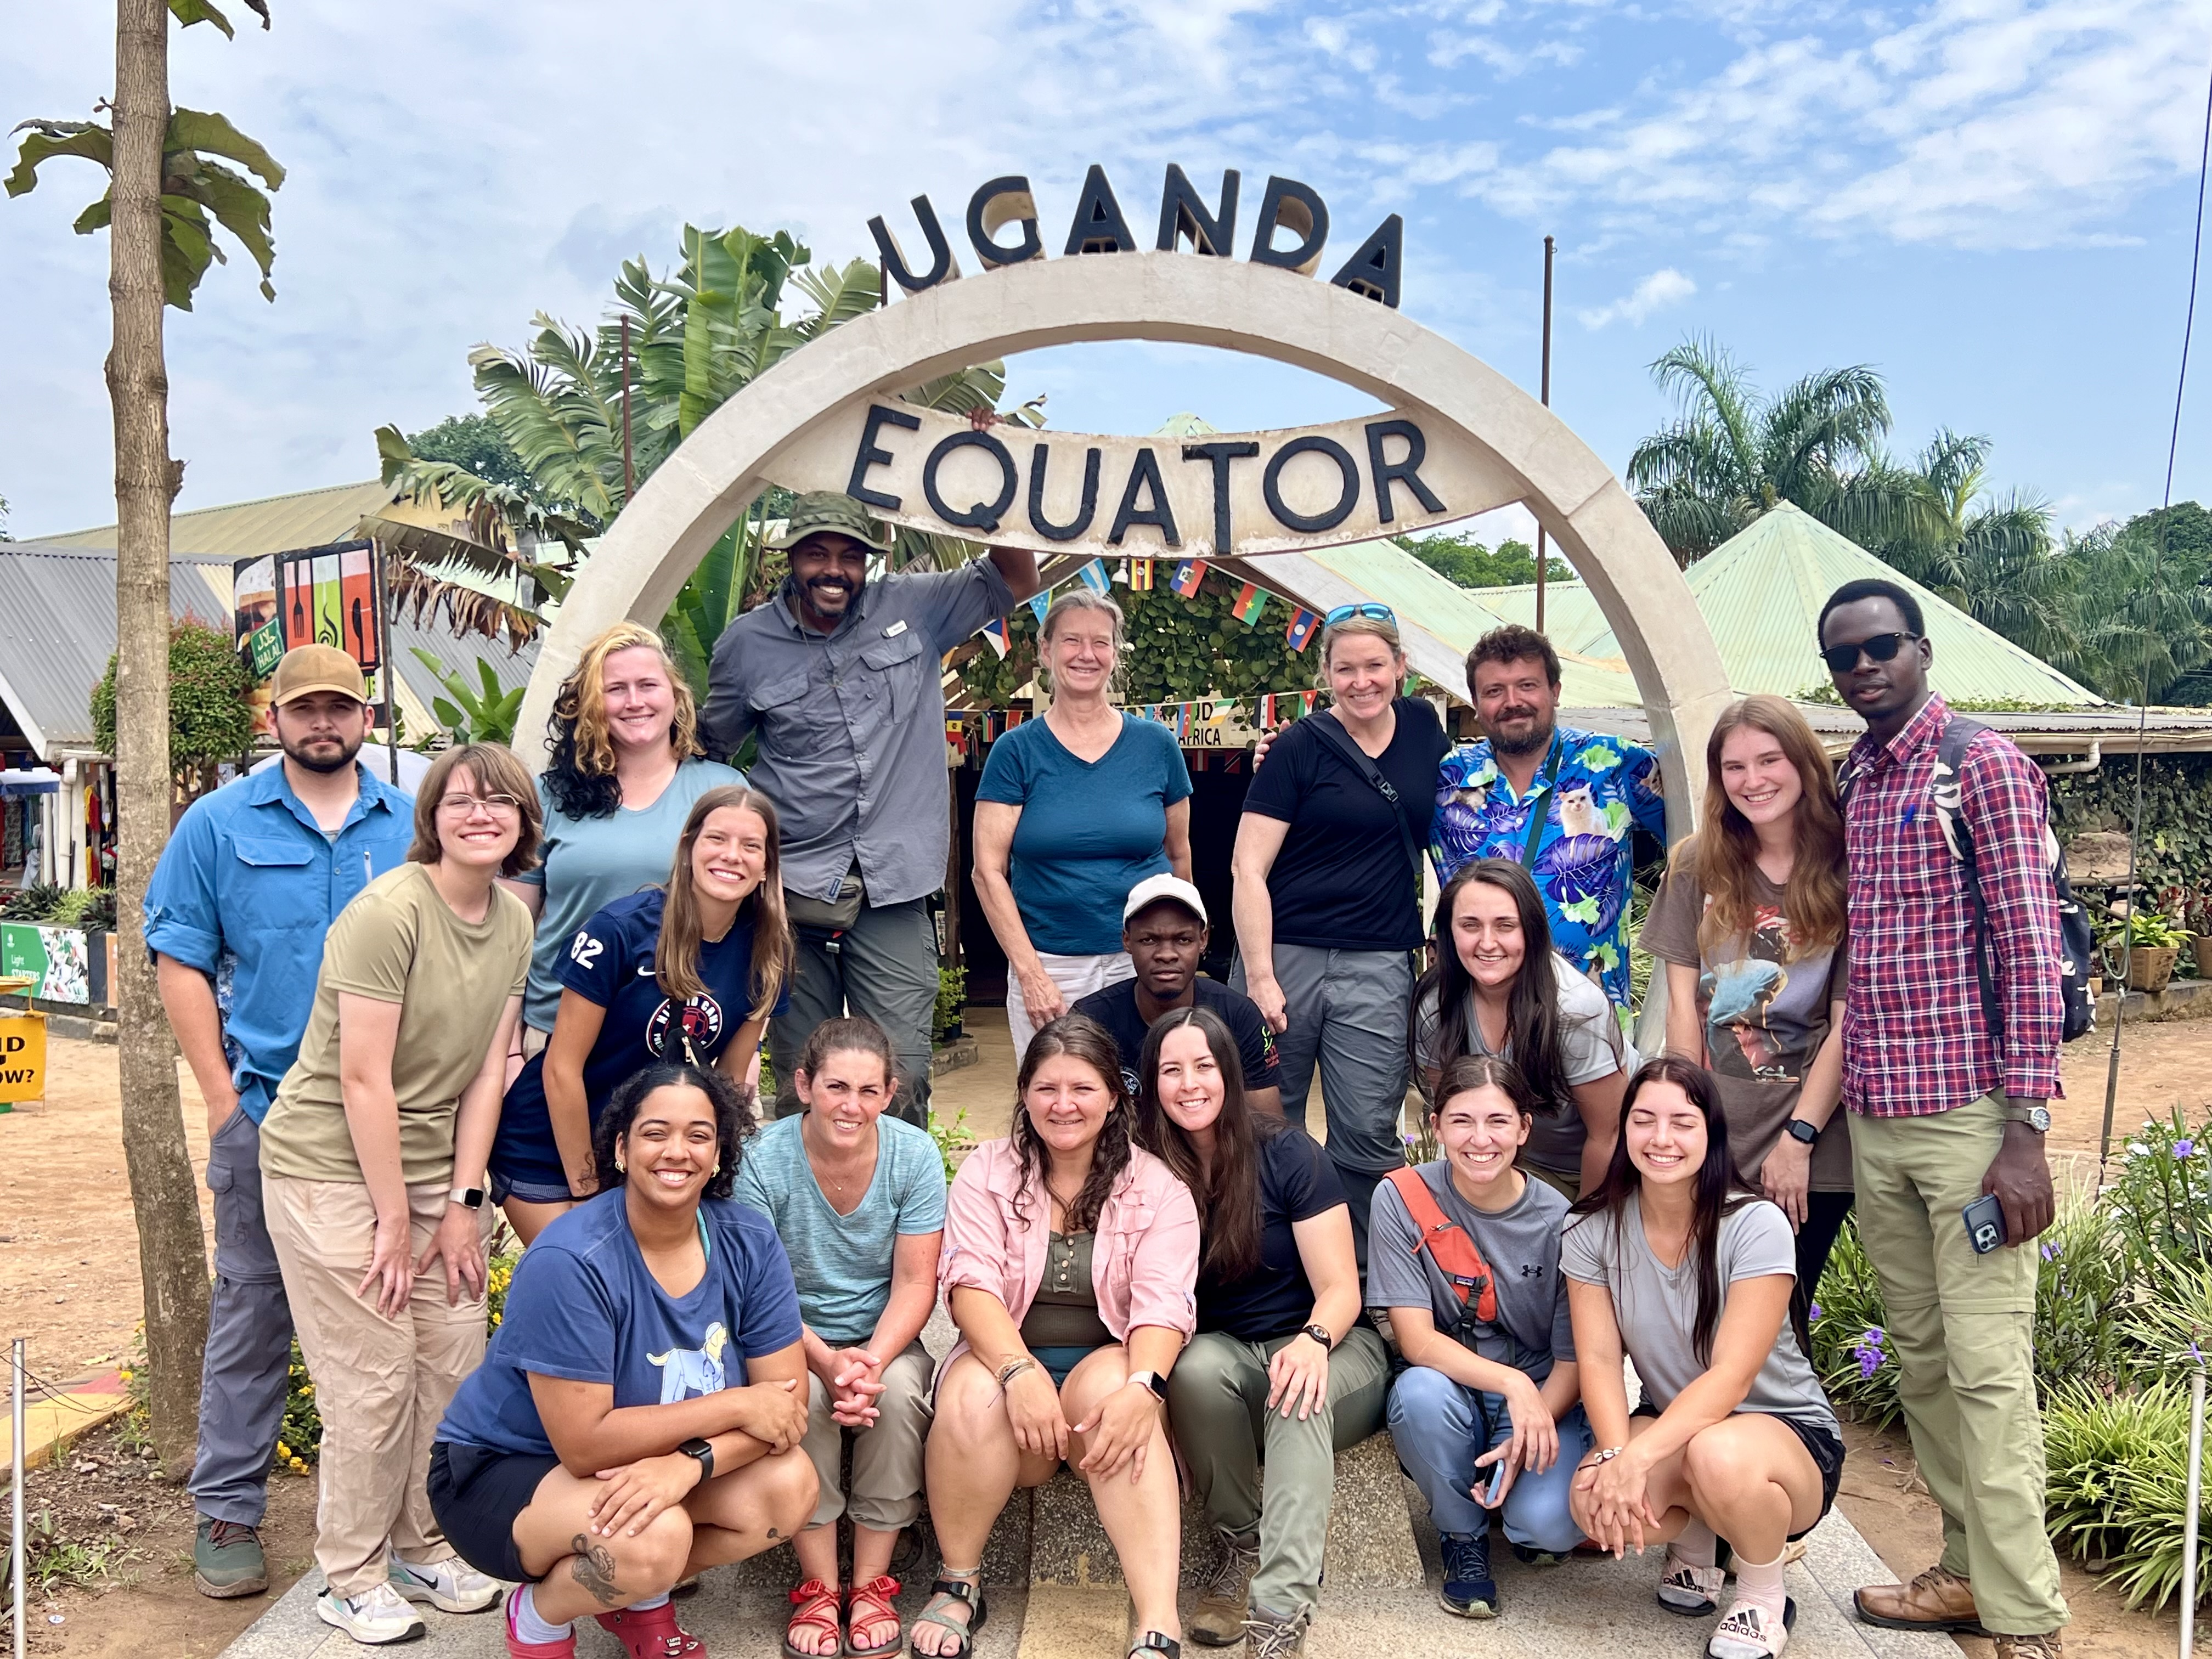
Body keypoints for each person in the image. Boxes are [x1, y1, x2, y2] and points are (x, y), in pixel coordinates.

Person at [1817, 578, 2067, 1657]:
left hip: (1971, 1131)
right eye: (1845, 656)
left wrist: (2027, 1131)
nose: (1864, 666)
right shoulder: (1857, 780)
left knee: (1988, 1370)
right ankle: (1967, 1574)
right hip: (1877, 1123)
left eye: (1881, 647)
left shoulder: (1983, 769)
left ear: (1920, 649)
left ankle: (2026, 1618)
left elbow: (2030, 950)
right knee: (1920, 1361)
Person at [145, 645, 415, 1600]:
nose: (323, 723)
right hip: (270, 1113)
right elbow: (179, 955)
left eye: (340, 706)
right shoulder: (218, 825)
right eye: (306, 708)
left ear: (367, 717)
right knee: (254, 1308)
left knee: (400, 1314)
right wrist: (223, 1099)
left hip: (396, 1127)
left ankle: (405, 1520)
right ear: (276, 717)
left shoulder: (415, 824)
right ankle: (227, 1507)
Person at [257, 742, 540, 1645]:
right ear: (433, 815)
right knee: (371, 1380)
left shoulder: (513, 921)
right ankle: (350, 1572)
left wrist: (464, 1201)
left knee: (450, 1361)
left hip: (431, 1175)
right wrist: (393, 1216)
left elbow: (490, 1071)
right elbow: (362, 1078)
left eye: (501, 803)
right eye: (461, 799)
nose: (480, 815)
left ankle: (425, 1541)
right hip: (330, 1169)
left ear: (525, 822)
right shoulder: (389, 913)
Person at [432, 1063, 818, 1659]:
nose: (677, 1152)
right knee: (653, 1537)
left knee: (788, 1487)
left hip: (642, 1459)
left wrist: (692, 1466)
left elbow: (786, 1408)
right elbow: (585, 1444)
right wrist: (737, 1404)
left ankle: (637, 1598)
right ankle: (539, 1616)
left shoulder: (748, 1241)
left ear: (719, 1153)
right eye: (655, 1132)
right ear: (620, 1146)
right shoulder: (573, 1258)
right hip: (508, 1466)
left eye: (698, 1135)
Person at [701, 490, 1042, 1128]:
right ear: (790, 560)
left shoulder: (914, 606)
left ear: (868, 563)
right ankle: (806, 1221)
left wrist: (988, 483)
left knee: (904, 1076)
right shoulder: (745, 645)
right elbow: (709, 752)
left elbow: (1018, 578)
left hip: (895, 886)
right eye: (816, 554)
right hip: (791, 890)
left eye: (849, 556)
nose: (833, 569)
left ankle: (904, 1222)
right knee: (804, 1080)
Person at [915, 1014, 1198, 1659]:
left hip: (1107, 1361)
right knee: (966, 1398)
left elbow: (1165, 1304)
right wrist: (1018, 1374)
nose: (1063, 1105)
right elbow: (968, 1286)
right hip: (1006, 1364)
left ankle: (1158, 1616)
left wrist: (1145, 1388)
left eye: (1082, 1089)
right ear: (1023, 1093)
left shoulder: (1156, 1186)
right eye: (1046, 1088)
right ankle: (959, 1582)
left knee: (1117, 1396)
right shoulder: (987, 1171)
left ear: (1115, 1096)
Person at [1562, 1058, 1845, 1659]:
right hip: (1674, 1420)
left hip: (1784, 1436)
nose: (1661, 1139)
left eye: (1682, 1123)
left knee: (1715, 1452)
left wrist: (1640, 1455)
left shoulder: (1755, 1224)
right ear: (1624, 1131)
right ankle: (1695, 1542)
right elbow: (1597, 1358)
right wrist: (1615, 1456)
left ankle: (1764, 1594)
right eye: (1644, 1121)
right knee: (1590, 1496)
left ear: (1711, 1133)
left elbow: (1732, 1375)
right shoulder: (1590, 1229)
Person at [1135, 1007, 1385, 1658]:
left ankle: (1280, 1609)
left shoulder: (1287, 1151)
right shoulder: (1144, 1169)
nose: (1190, 1084)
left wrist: (1313, 1342)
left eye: (1204, 1067)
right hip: (1227, 1356)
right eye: (1171, 1070)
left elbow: (1341, 1290)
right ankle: (1241, 1545)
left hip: (1330, 1342)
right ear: (1151, 1083)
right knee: (1194, 1369)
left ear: (1231, 1073)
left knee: (1296, 1390)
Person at [1231, 606, 1449, 1255]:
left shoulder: (1424, 729)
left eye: (1375, 665)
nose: (1362, 681)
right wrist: (1262, 976)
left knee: (1368, 1132)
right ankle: (1269, 1265)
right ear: (1325, 674)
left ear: (1401, 668)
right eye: (1346, 668)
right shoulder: (1298, 745)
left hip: (1379, 959)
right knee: (1267, 1121)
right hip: (1286, 954)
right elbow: (1248, 866)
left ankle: (1364, 1278)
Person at [731, 1017, 947, 1659]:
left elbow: (915, 1284)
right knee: (805, 1400)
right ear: (803, 1084)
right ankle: (820, 1586)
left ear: (889, 1093)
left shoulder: (914, 1156)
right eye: (835, 1087)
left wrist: (869, 1362)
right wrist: (827, 1364)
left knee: (903, 1391)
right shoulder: (762, 1161)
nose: (850, 1106)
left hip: (885, 1338)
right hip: (786, 1337)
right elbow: (758, 1295)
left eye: (867, 1091)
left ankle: (872, 1582)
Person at [490, 786, 793, 1243]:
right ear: (689, 848)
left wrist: (710, 1178)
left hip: (652, 1155)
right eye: (717, 839)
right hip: (552, 1146)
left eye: (751, 846)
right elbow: (561, 1069)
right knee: (588, 1284)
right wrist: (589, 1188)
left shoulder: (768, 955)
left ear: (767, 866)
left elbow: (727, 1085)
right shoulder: (619, 930)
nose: (732, 856)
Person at [1640, 695, 1853, 1295]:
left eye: (1770, 760)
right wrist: (1686, 1125)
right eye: (1735, 767)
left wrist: (1799, 1141)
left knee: (1780, 1314)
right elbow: (1683, 1007)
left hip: (1810, 1130)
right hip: (1718, 1124)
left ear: (1804, 765)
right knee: (1699, 1300)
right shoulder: (1696, 865)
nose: (1752, 781)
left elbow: (1845, 1024)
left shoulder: (1848, 871)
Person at [1374, 1055, 1588, 1622]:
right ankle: (1462, 1537)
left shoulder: (1561, 1220)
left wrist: (1527, 1424)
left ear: (1523, 1128)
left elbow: (1573, 1360)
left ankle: (1514, 1503)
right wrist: (1509, 1382)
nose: (1480, 1140)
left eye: (1498, 1122)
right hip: (1453, 1387)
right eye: (1462, 1122)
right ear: (1436, 1126)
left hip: (1544, 1398)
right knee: (1418, 1393)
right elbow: (1416, 1341)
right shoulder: (1400, 1198)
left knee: (1546, 1527)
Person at [507, 622, 746, 1063]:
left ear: (675, 696)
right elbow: (512, 928)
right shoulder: (551, 796)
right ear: (592, 705)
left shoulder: (722, 792)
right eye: (616, 689)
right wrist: (503, 1048)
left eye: (648, 685)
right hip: (557, 1033)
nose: (634, 701)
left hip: (674, 1039)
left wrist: (745, 1052)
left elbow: (753, 926)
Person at [974, 590, 1194, 1059]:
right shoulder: (1016, 752)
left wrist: (1183, 953)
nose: (1087, 655)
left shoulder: (1157, 746)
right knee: (1060, 1099)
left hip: (1146, 963)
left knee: (1154, 1098)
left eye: (1101, 642)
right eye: (1072, 640)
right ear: (1046, 651)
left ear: (1115, 654)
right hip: (1051, 964)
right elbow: (987, 871)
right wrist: (1030, 973)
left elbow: (1179, 856)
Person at [1430, 625, 1668, 1015]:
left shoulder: (1614, 763)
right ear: (1475, 702)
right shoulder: (1450, 778)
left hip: (1589, 1013)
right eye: (1494, 691)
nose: (1512, 702)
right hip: (1478, 1012)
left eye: (1527, 686)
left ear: (1555, 691)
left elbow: (1699, 845)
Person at [1412, 860, 1628, 1198]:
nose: (1487, 943)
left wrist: (1583, 1232)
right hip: (1512, 1163)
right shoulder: (1435, 1004)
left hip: (1597, 1169)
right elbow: (1455, 1114)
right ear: (1448, 933)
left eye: (1505, 926)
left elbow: (1609, 1136)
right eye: (1470, 925)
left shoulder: (1575, 1008)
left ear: (1532, 929)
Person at [1073, 874, 1282, 1114]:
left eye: (1183, 939)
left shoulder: (1239, 1015)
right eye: (1149, 940)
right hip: (1122, 1148)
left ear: (1203, 940)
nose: (1167, 954)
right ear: (1127, 941)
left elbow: (1268, 1125)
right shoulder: (1091, 1020)